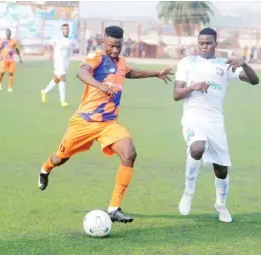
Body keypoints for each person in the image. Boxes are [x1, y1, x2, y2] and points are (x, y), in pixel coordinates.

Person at [37, 26, 173, 223]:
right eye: (111, 46)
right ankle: (45, 169)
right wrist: (99, 85)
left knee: (129, 153)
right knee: (60, 158)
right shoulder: (97, 57)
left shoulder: (122, 62)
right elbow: (80, 72)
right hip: (84, 122)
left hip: (108, 124)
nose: (115, 50)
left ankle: (114, 208)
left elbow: (130, 72)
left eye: (118, 46)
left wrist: (155, 73)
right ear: (103, 42)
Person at [174, 27, 259, 223]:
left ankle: (221, 205)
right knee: (197, 148)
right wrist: (193, 86)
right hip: (193, 116)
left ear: (216, 44)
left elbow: (254, 81)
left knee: (221, 169)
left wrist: (245, 65)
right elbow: (176, 94)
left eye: (208, 43)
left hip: (215, 121)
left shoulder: (224, 65)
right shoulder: (187, 63)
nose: (204, 46)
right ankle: (188, 192)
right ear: (198, 43)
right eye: (201, 43)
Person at [41, 24, 79, 107]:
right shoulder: (56, 38)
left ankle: (44, 91)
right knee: (62, 78)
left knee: (56, 79)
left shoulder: (71, 40)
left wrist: (75, 50)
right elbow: (49, 45)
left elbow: (76, 48)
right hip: (58, 60)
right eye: (64, 29)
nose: (66, 31)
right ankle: (63, 101)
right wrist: (51, 53)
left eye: (67, 29)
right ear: (62, 30)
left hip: (66, 61)